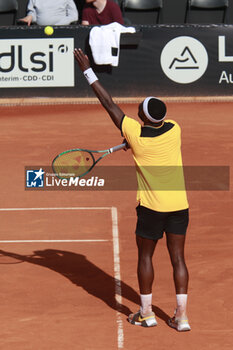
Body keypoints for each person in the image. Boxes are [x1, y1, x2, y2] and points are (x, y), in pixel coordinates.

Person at [73, 48, 191, 332]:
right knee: (178, 259)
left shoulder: (135, 133)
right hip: (179, 207)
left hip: (151, 209)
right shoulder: (174, 128)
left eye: (139, 108)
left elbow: (108, 103)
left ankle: (147, 313)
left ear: (142, 117)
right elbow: (150, 134)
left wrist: (87, 71)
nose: (136, 108)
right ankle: (182, 317)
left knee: (145, 257)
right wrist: (132, 142)